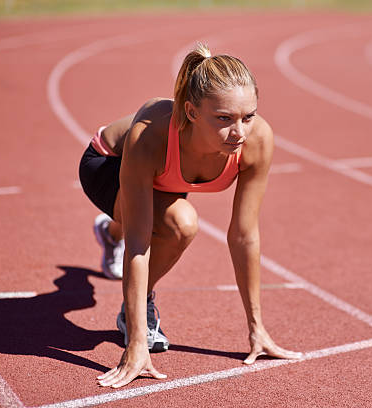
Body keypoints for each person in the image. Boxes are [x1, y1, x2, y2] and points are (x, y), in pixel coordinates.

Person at [78, 43, 302, 388]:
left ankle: (110, 234)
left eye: (248, 116)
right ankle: (136, 308)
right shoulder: (150, 135)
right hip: (107, 164)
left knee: (161, 216)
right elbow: (140, 242)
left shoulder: (255, 140)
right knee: (179, 224)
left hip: (164, 181)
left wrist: (257, 329)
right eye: (224, 118)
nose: (239, 132)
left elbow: (244, 235)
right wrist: (136, 344)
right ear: (192, 112)